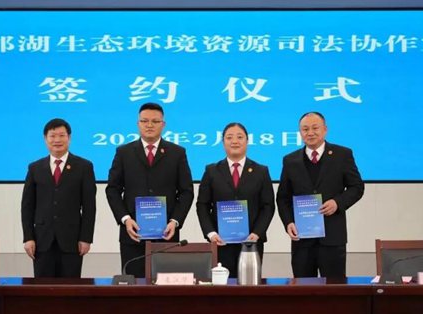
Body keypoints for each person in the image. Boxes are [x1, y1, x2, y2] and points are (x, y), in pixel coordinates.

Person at [106, 102, 194, 278]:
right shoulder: (124, 152)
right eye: (145, 121)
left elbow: (186, 191)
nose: (149, 125)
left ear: (163, 124)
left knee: (166, 285)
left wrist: (175, 221)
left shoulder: (177, 153)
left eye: (155, 121)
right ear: (138, 123)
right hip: (133, 234)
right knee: (134, 286)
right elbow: (113, 190)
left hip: (166, 234)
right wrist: (125, 219)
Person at [276, 112, 364, 278]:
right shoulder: (290, 160)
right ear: (300, 132)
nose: (310, 133)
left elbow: (357, 187)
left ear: (325, 130)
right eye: (305, 129)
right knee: (303, 288)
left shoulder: (342, 155)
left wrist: (338, 203)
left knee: (334, 288)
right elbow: (283, 197)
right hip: (302, 239)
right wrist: (288, 222)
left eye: (315, 128)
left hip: (332, 238)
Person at [196, 123, 275, 278]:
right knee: (222, 286)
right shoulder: (212, 171)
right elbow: (202, 205)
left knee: (250, 285)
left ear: (247, 141)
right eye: (229, 137)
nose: (235, 141)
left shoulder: (261, 171)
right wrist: (211, 233)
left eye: (240, 137)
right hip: (220, 242)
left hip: (251, 242)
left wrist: (257, 233)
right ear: (223, 142)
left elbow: (268, 206)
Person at [21, 118, 96, 278]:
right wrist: (28, 237)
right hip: (41, 241)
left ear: (69, 138)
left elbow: (89, 206)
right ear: (45, 139)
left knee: (70, 288)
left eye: (62, 135)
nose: (57, 140)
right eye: (52, 136)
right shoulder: (35, 168)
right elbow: (27, 206)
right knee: (42, 288)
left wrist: (86, 238)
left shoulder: (84, 167)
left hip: (72, 241)